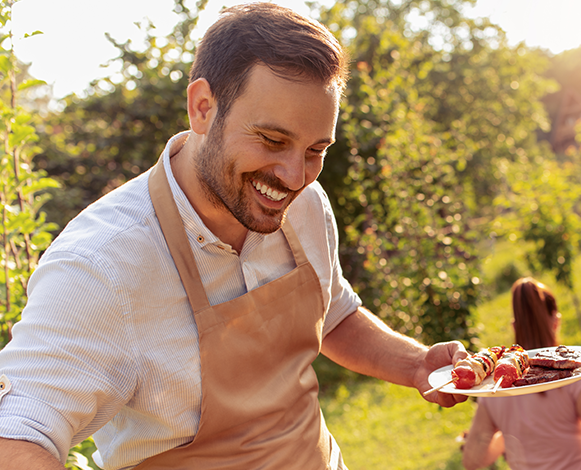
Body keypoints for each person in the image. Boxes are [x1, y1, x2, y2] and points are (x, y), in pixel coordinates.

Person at [0, 4, 468, 469]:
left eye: (315, 150)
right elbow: (17, 435)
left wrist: (417, 364)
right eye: (271, 140)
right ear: (203, 107)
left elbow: (333, 313)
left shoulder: (304, 204)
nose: (294, 176)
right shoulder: (103, 264)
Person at [462, 277, 581, 470]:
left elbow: (472, 461)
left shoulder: (495, 384)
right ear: (555, 322)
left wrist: (511, 433)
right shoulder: (572, 379)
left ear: (514, 327)